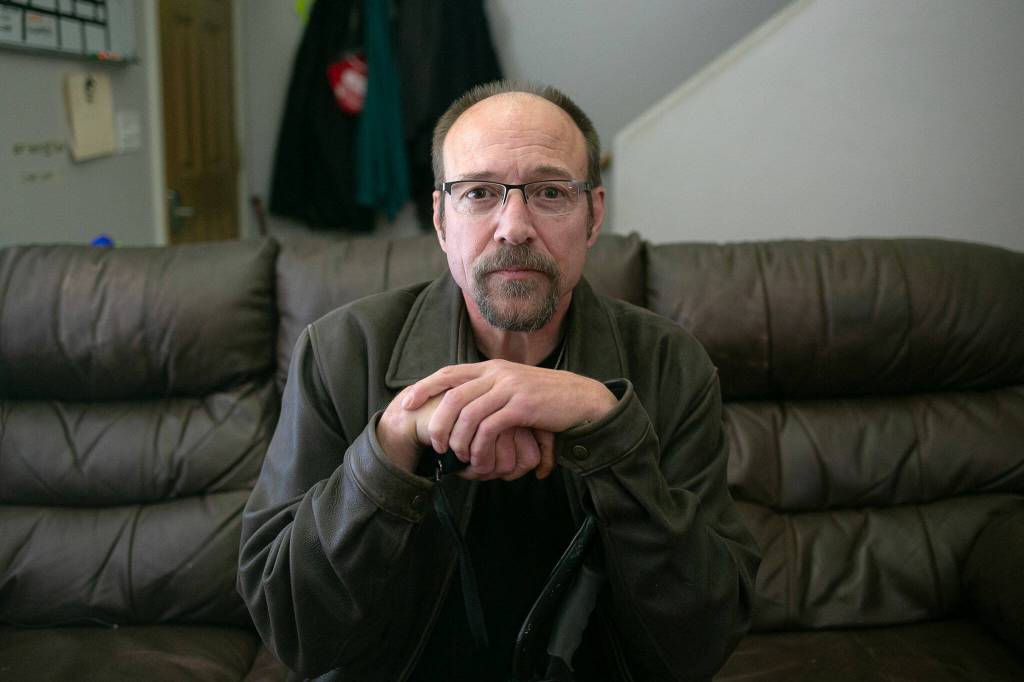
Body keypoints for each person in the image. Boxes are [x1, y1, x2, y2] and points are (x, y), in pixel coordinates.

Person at [238, 81, 760, 681]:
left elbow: (700, 641)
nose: (514, 226)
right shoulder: (339, 353)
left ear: (593, 215)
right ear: (440, 219)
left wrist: (608, 429)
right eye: (480, 193)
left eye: (548, 192)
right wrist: (388, 447)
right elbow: (295, 630)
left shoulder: (671, 365)